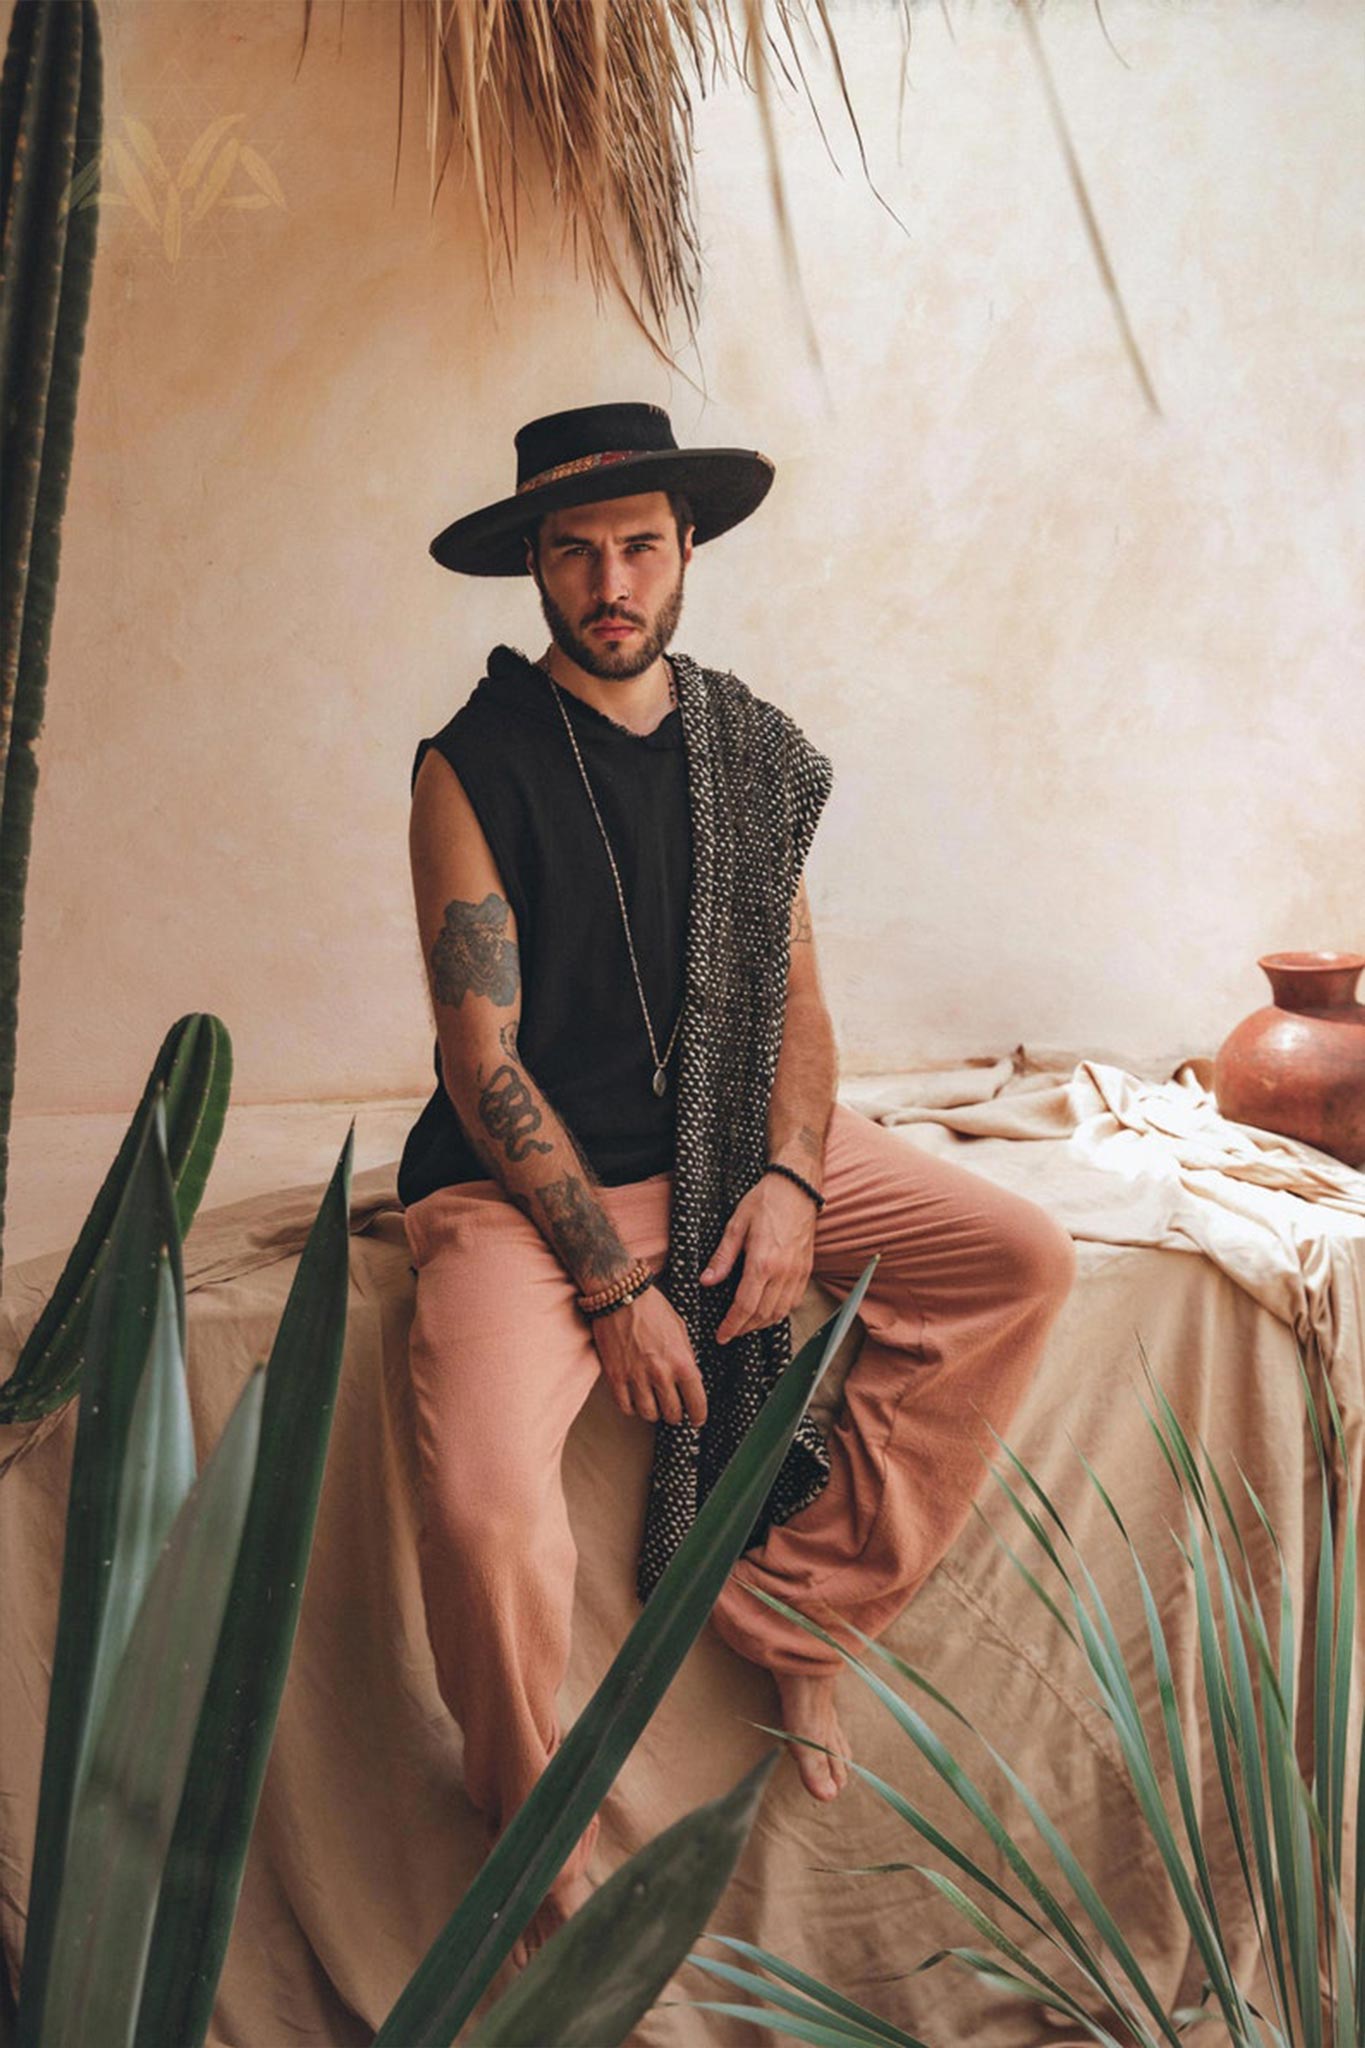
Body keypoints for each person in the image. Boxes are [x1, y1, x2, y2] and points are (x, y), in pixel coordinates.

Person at [398, 401, 1077, 1963]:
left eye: (638, 543)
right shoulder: (472, 763)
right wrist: (614, 1282)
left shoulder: (750, 750)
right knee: (486, 1507)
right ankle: (538, 1875)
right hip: (530, 1189)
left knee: (1016, 1261)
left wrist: (788, 1177)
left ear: (687, 549)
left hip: (734, 1141)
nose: (609, 577)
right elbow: (477, 1060)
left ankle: (797, 1608)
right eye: (573, 552)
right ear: (535, 574)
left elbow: (797, 1002)